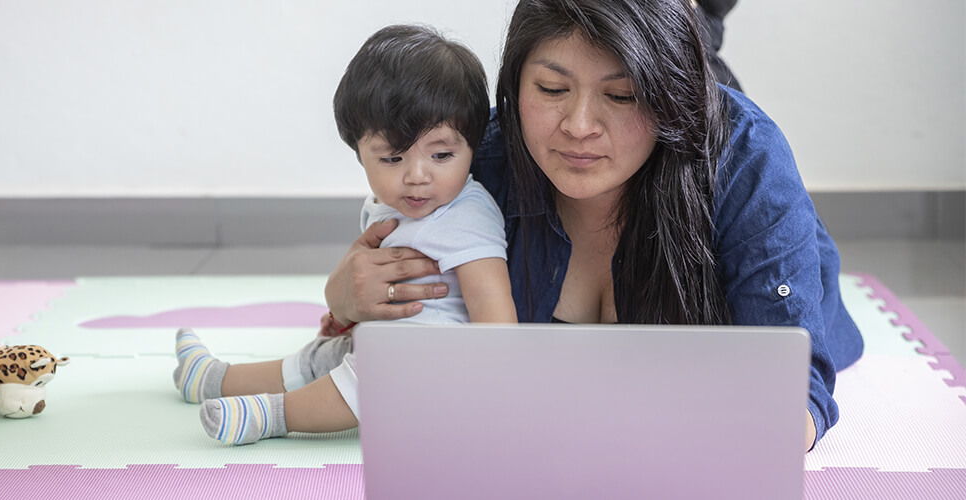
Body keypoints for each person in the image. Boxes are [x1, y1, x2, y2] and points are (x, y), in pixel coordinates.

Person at [322, 0, 863, 452]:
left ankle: (697, 38)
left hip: (716, 173)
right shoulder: (475, 158)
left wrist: (764, 436)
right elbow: (390, 314)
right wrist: (344, 299)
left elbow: (797, 391)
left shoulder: (746, 158)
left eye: (622, 95)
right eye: (551, 90)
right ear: (514, 86)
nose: (578, 127)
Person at [173, 24, 517, 445]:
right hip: (384, 342)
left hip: (432, 364)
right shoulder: (388, 202)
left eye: (442, 155)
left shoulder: (467, 213)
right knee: (318, 359)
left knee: (362, 380)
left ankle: (272, 417)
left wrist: (493, 396)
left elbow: (494, 311)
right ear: (359, 152)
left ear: (474, 145)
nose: (417, 176)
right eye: (392, 157)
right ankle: (213, 379)